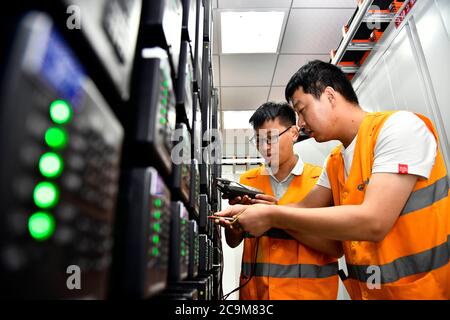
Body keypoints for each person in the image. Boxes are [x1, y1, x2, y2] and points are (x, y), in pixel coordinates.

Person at [216, 60, 450, 300]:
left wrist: (271, 215)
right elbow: (302, 210)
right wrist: (256, 209)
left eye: (302, 110)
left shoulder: (399, 128)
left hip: (423, 293)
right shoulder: (335, 161)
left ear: (329, 96)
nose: (301, 124)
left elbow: (374, 221)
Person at [220, 102, 341, 300]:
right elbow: (233, 243)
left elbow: (335, 248)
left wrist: (276, 216)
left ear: (294, 133)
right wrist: (234, 227)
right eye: (258, 141)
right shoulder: (247, 182)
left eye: (271, 139)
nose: (265, 147)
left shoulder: (321, 182)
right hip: (256, 296)